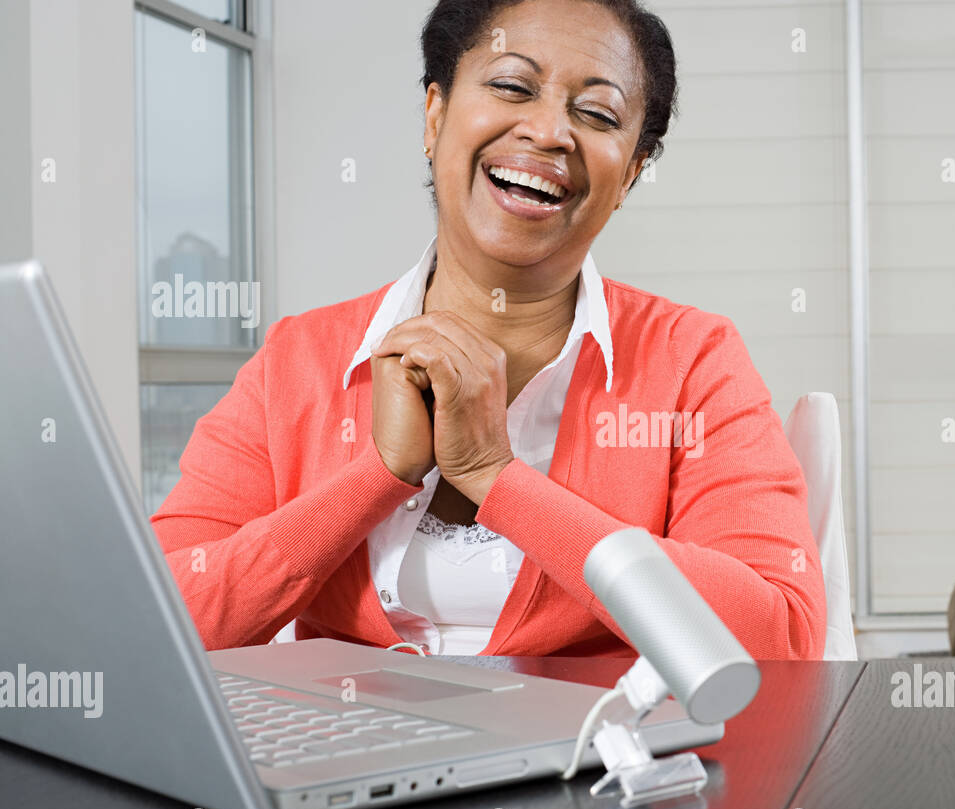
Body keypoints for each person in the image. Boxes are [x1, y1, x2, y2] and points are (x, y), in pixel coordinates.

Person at [150, 0, 827, 659]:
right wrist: (376, 476)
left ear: (631, 174)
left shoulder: (691, 361)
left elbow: (779, 640)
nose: (548, 131)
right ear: (435, 115)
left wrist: (498, 480)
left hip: (591, 764)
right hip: (344, 763)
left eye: (596, 113)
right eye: (511, 86)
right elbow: (158, 617)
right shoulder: (297, 359)